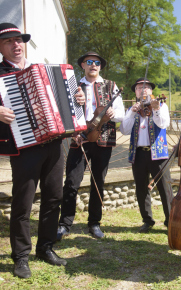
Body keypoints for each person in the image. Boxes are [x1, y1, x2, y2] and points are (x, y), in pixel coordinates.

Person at [0, 23, 85, 278]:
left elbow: (70, 100)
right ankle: (21, 256)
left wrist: (77, 98)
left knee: (53, 197)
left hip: (54, 143)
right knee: (22, 203)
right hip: (24, 147)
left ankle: (45, 247)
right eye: (8, 42)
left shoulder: (44, 68)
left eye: (19, 40)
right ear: (0, 47)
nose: (16, 45)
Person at [57, 51, 125, 240]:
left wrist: (112, 113)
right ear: (83, 66)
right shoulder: (73, 87)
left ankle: (94, 223)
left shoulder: (111, 86)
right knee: (71, 182)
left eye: (96, 62)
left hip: (103, 140)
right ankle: (65, 224)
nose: (93, 65)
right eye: (89, 62)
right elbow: (65, 113)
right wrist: (74, 133)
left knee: (98, 182)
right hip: (80, 138)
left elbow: (122, 113)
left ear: (100, 67)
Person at [120, 78, 173, 233]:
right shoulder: (132, 110)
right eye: (138, 88)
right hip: (139, 154)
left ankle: (170, 221)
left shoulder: (161, 105)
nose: (142, 90)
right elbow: (124, 130)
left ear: (151, 91)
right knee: (141, 189)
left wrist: (155, 109)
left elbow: (163, 124)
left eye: (146, 87)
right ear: (135, 92)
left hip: (158, 154)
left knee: (165, 188)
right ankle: (147, 220)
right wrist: (131, 112)